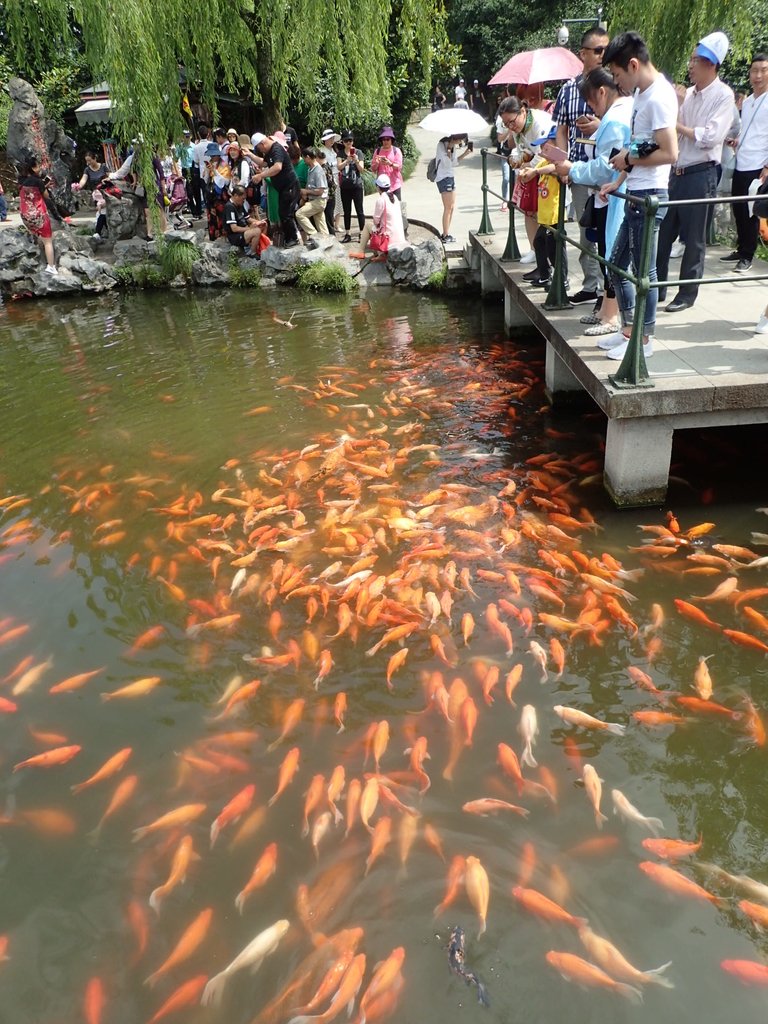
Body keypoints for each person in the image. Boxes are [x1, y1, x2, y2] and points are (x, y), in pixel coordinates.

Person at [597, 31, 679, 361]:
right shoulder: (643, 95)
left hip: (651, 195)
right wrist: (619, 177)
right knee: (617, 266)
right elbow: (642, 145)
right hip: (635, 189)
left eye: (617, 76)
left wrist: (628, 159)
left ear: (633, 64)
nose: (618, 83)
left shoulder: (658, 96)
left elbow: (669, 152)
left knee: (644, 271)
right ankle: (630, 332)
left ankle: (644, 341)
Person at [655, 32, 734, 313]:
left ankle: (686, 294)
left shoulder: (723, 95)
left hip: (702, 173)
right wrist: (676, 110)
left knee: (694, 238)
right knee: (663, 233)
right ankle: (657, 286)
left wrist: (677, 123)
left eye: (696, 61)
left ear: (711, 65)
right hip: (676, 171)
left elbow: (708, 137)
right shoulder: (687, 94)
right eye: (691, 60)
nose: (690, 66)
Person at [555, 66, 633, 335]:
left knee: (613, 257)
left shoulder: (614, 120)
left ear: (602, 91)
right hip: (606, 195)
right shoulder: (618, 114)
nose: (591, 108)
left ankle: (613, 318)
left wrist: (573, 169)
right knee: (606, 254)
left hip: (613, 196)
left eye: (591, 101)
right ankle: (606, 311)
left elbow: (605, 165)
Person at [553, 24, 610, 308]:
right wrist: (564, 163)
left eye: (606, 50)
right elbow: (561, 129)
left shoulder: (615, 87)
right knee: (586, 229)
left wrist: (601, 125)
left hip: (609, 171)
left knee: (609, 231)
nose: (602, 55)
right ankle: (591, 285)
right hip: (579, 169)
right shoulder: (568, 90)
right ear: (583, 53)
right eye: (597, 50)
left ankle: (610, 290)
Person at [721, 53, 768, 273]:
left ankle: (748, 255)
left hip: (759, 164)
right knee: (738, 207)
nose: (758, 75)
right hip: (741, 160)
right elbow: (749, 130)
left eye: (763, 70)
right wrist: (736, 141)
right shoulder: (748, 102)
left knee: (751, 211)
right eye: (754, 71)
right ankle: (741, 248)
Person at [498, 96, 554, 261]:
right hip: (531, 173)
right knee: (528, 210)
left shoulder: (539, 123)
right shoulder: (517, 129)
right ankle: (533, 249)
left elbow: (543, 152)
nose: (510, 127)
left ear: (522, 111)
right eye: (506, 124)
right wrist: (517, 159)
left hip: (548, 171)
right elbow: (520, 149)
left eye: (512, 122)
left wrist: (528, 167)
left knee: (544, 215)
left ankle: (546, 259)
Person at [250, 132, 301, 247]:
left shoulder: (276, 149)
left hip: (290, 186)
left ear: (262, 144)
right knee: (282, 213)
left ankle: (293, 238)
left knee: (286, 213)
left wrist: (261, 176)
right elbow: (263, 163)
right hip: (283, 188)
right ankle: (288, 239)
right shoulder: (269, 152)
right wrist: (250, 155)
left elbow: (278, 167)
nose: (260, 151)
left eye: (259, 148)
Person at [17, 157, 57, 275]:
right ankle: (51, 267)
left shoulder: (21, 180)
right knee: (48, 241)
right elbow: (46, 196)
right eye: (38, 166)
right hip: (39, 216)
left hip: (26, 216)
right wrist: (45, 187)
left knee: (38, 237)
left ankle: (38, 261)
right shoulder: (38, 181)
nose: (40, 168)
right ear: (33, 168)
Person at [350, 173, 405, 258]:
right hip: (400, 238)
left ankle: (361, 251)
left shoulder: (381, 200)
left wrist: (377, 225)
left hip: (388, 239)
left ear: (378, 187)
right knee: (375, 227)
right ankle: (377, 252)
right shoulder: (395, 197)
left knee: (368, 225)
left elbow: (376, 220)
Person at [433, 134, 472, 243]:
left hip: (450, 177)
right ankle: (445, 235)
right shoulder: (441, 145)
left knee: (452, 207)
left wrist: (465, 154)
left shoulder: (453, 146)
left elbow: (454, 163)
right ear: (455, 138)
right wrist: (449, 149)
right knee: (448, 208)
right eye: (460, 140)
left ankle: (446, 232)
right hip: (443, 178)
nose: (461, 142)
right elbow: (446, 163)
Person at [295, 148, 329, 247]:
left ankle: (314, 236)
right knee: (321, 224)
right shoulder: (310, 169)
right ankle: (326, 243)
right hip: (313, 200)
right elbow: (310, 185)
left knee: (300, 214)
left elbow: (320, 191)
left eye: (304, 158)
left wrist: (306, 191)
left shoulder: (318, 171)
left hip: (318, 201)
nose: (303, 160)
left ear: (308, 157)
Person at [74, 150, 109, 239]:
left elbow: (110, 177)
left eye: (90, 160)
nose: (88, 163)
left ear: (95, 158)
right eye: (87, 161)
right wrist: (79, 186)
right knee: (101, 212)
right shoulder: (87, 170)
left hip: (106, 192)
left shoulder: (103, 167)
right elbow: (83, 179)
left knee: (103, 213)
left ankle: (99, 232)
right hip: (96, 195)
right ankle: (101, 232)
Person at [337, 130, 365, 243]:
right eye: (346, 140)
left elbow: (362, 170)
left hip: (356, 185)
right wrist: (346, 161)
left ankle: (362, 233)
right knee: (347, 211)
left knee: (360, 210)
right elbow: (339, 167)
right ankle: (347, 233)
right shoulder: (340, 153)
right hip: (345, 186)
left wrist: (356, 161)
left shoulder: (358, 152)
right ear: (342, 142)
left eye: (350, 140)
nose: (349, 143)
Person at [224, 184, 267, 256]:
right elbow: (234, 228)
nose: (244, 201)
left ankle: (260, 246)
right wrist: (249, 229)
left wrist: (259, 222)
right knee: (256, 231)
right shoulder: (229, 207)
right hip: (235, 236)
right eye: (242, 199)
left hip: (245, 230)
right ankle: (252, 252)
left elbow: (248, 218)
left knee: (263, 225)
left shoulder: (240, 204)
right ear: (236, 196)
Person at [370, 127, 404, 200]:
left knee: (396, 206)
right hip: (382, 186)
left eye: (388, 139)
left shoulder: (396, 151)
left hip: (395, 184)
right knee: (385, 207)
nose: (385, 141)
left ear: (391, 140)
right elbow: (373, 169)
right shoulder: (377, 151)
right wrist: (377, 163)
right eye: (383, 139)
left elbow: (399, 167)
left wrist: (390, 163)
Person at [319, 129, 341, 233]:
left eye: (332, 138)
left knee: (337, 202)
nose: (331, 141)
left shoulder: (334, 151)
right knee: (329, 203)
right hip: (328, 178)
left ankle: (337, 224)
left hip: (336, 177)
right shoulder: (322, 151)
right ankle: (330, 225)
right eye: (329, 139)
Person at [190, 125, 210, 218]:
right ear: (208, 134)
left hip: (203, 173)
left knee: (205, 193)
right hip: (213, 171)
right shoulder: (212, 144)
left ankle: (208, 212)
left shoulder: (196, 147)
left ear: (198, 134)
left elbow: (196, 161)